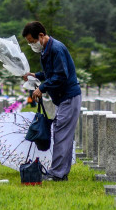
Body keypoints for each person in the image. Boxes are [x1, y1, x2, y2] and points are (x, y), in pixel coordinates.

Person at [21, 21, 81, 182]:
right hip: (62, 98)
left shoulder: (56, 49)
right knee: (62, 134)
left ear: (41, 35)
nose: (32, 45)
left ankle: (57, 173)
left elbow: (61, 75)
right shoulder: (47, 50)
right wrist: (36, 75)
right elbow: (51, 73)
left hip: (68, 96)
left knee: (61, 133)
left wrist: (42, 88)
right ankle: (61, 172)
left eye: (32, 41)